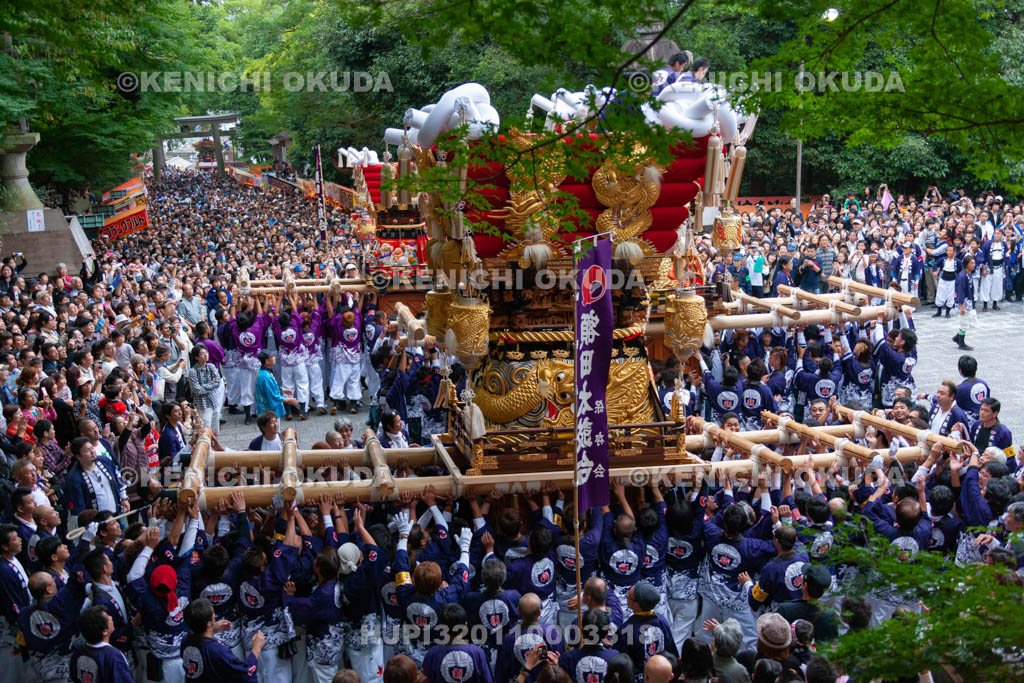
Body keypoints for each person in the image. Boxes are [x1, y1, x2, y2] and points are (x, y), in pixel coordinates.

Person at [181, 597, 264, 682]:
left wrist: (212, 630)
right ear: (209, 624)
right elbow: (245, 674)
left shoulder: (185, 641)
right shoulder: (217, 651)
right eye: (213, 613)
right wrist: (256, 649)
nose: (214, 615)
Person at [69, 605, 135, 683]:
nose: (111, 617)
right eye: (108, 617)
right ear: (104, 631)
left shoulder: (77, 654)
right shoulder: (113, 656)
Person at [254, 350, 299, 418]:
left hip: (264, 409)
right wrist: (288, 400)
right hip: (270, 412)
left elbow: (268, 388)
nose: (274, 358)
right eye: (272, 357)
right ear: (267, 361)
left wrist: (281, 390)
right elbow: (272, 396)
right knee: (273, 424)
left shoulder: (261, 372)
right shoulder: (267, 377)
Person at [953, 254, 977, 351]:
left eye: (974, 263)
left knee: (971, 319)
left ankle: (957, 337)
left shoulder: (968, 274)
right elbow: (960, 291)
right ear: (966, 264)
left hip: (968, 301)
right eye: (971, 263)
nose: (974, 265)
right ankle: (961, 343)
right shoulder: (962, 276)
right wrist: (962, 305)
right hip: (963, 302)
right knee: (964, 322)